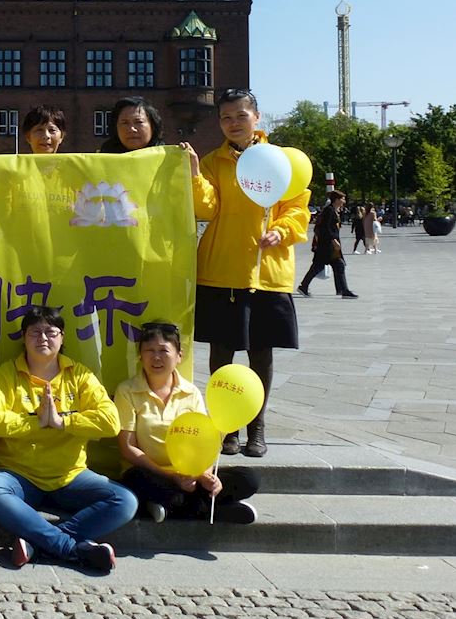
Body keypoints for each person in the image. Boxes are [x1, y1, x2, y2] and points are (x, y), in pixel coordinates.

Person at [179, 88, 309, 458]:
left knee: (261, 354)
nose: (233, 123)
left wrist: (281, 230)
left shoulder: (281, 160)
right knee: (221, 354)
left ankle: (258, 428)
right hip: (221, 269)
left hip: (266, 271)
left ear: (257, 117)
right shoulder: (213, 162)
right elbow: (206, 208)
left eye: (240, 115)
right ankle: (227, 427)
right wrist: (193, 175)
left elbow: (298, 208)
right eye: (225, 117)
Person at [0, 306, 136, 573]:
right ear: (24, 338)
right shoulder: (7, 374)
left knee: (125, 501)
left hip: (70, 476)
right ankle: (71, 548)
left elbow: (111, 421)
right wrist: (35, 422)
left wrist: (63, 422)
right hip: (18, 475)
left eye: (50, 332)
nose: (43, 338)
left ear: (62, 338)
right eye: (34, 332)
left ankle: (40, 543)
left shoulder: (79, 374)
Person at [114, 320, 258, 524]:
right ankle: (208, 509)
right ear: (140, 355)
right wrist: (170, 476)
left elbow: (204, 439)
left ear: (179, 356)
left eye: (164, 351)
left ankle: (172, 505)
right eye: (149, 350)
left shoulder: (191, 392)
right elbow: (128, 448)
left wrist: (205, 475)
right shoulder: (127, 391)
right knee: (138, 479)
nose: (156, 357)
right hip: (151, 473)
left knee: (249, 479)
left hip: (189, 474)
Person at [298, 190, 356, 300]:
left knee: (334, 266)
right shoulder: (329, 211)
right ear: (337, 200)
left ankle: (342, 289)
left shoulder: (333, 210)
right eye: (342, 199)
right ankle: (342, 290)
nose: (344, 201)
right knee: (326, 266)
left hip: (327, 246)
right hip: (327, 246)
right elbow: (326, 227)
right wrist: (333, 240)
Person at [99, 96, 164, 153]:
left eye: (138, 122)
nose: (131, 129)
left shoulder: (168, 158)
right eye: (125, 123)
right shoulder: (101, 161)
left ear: (153, 126)